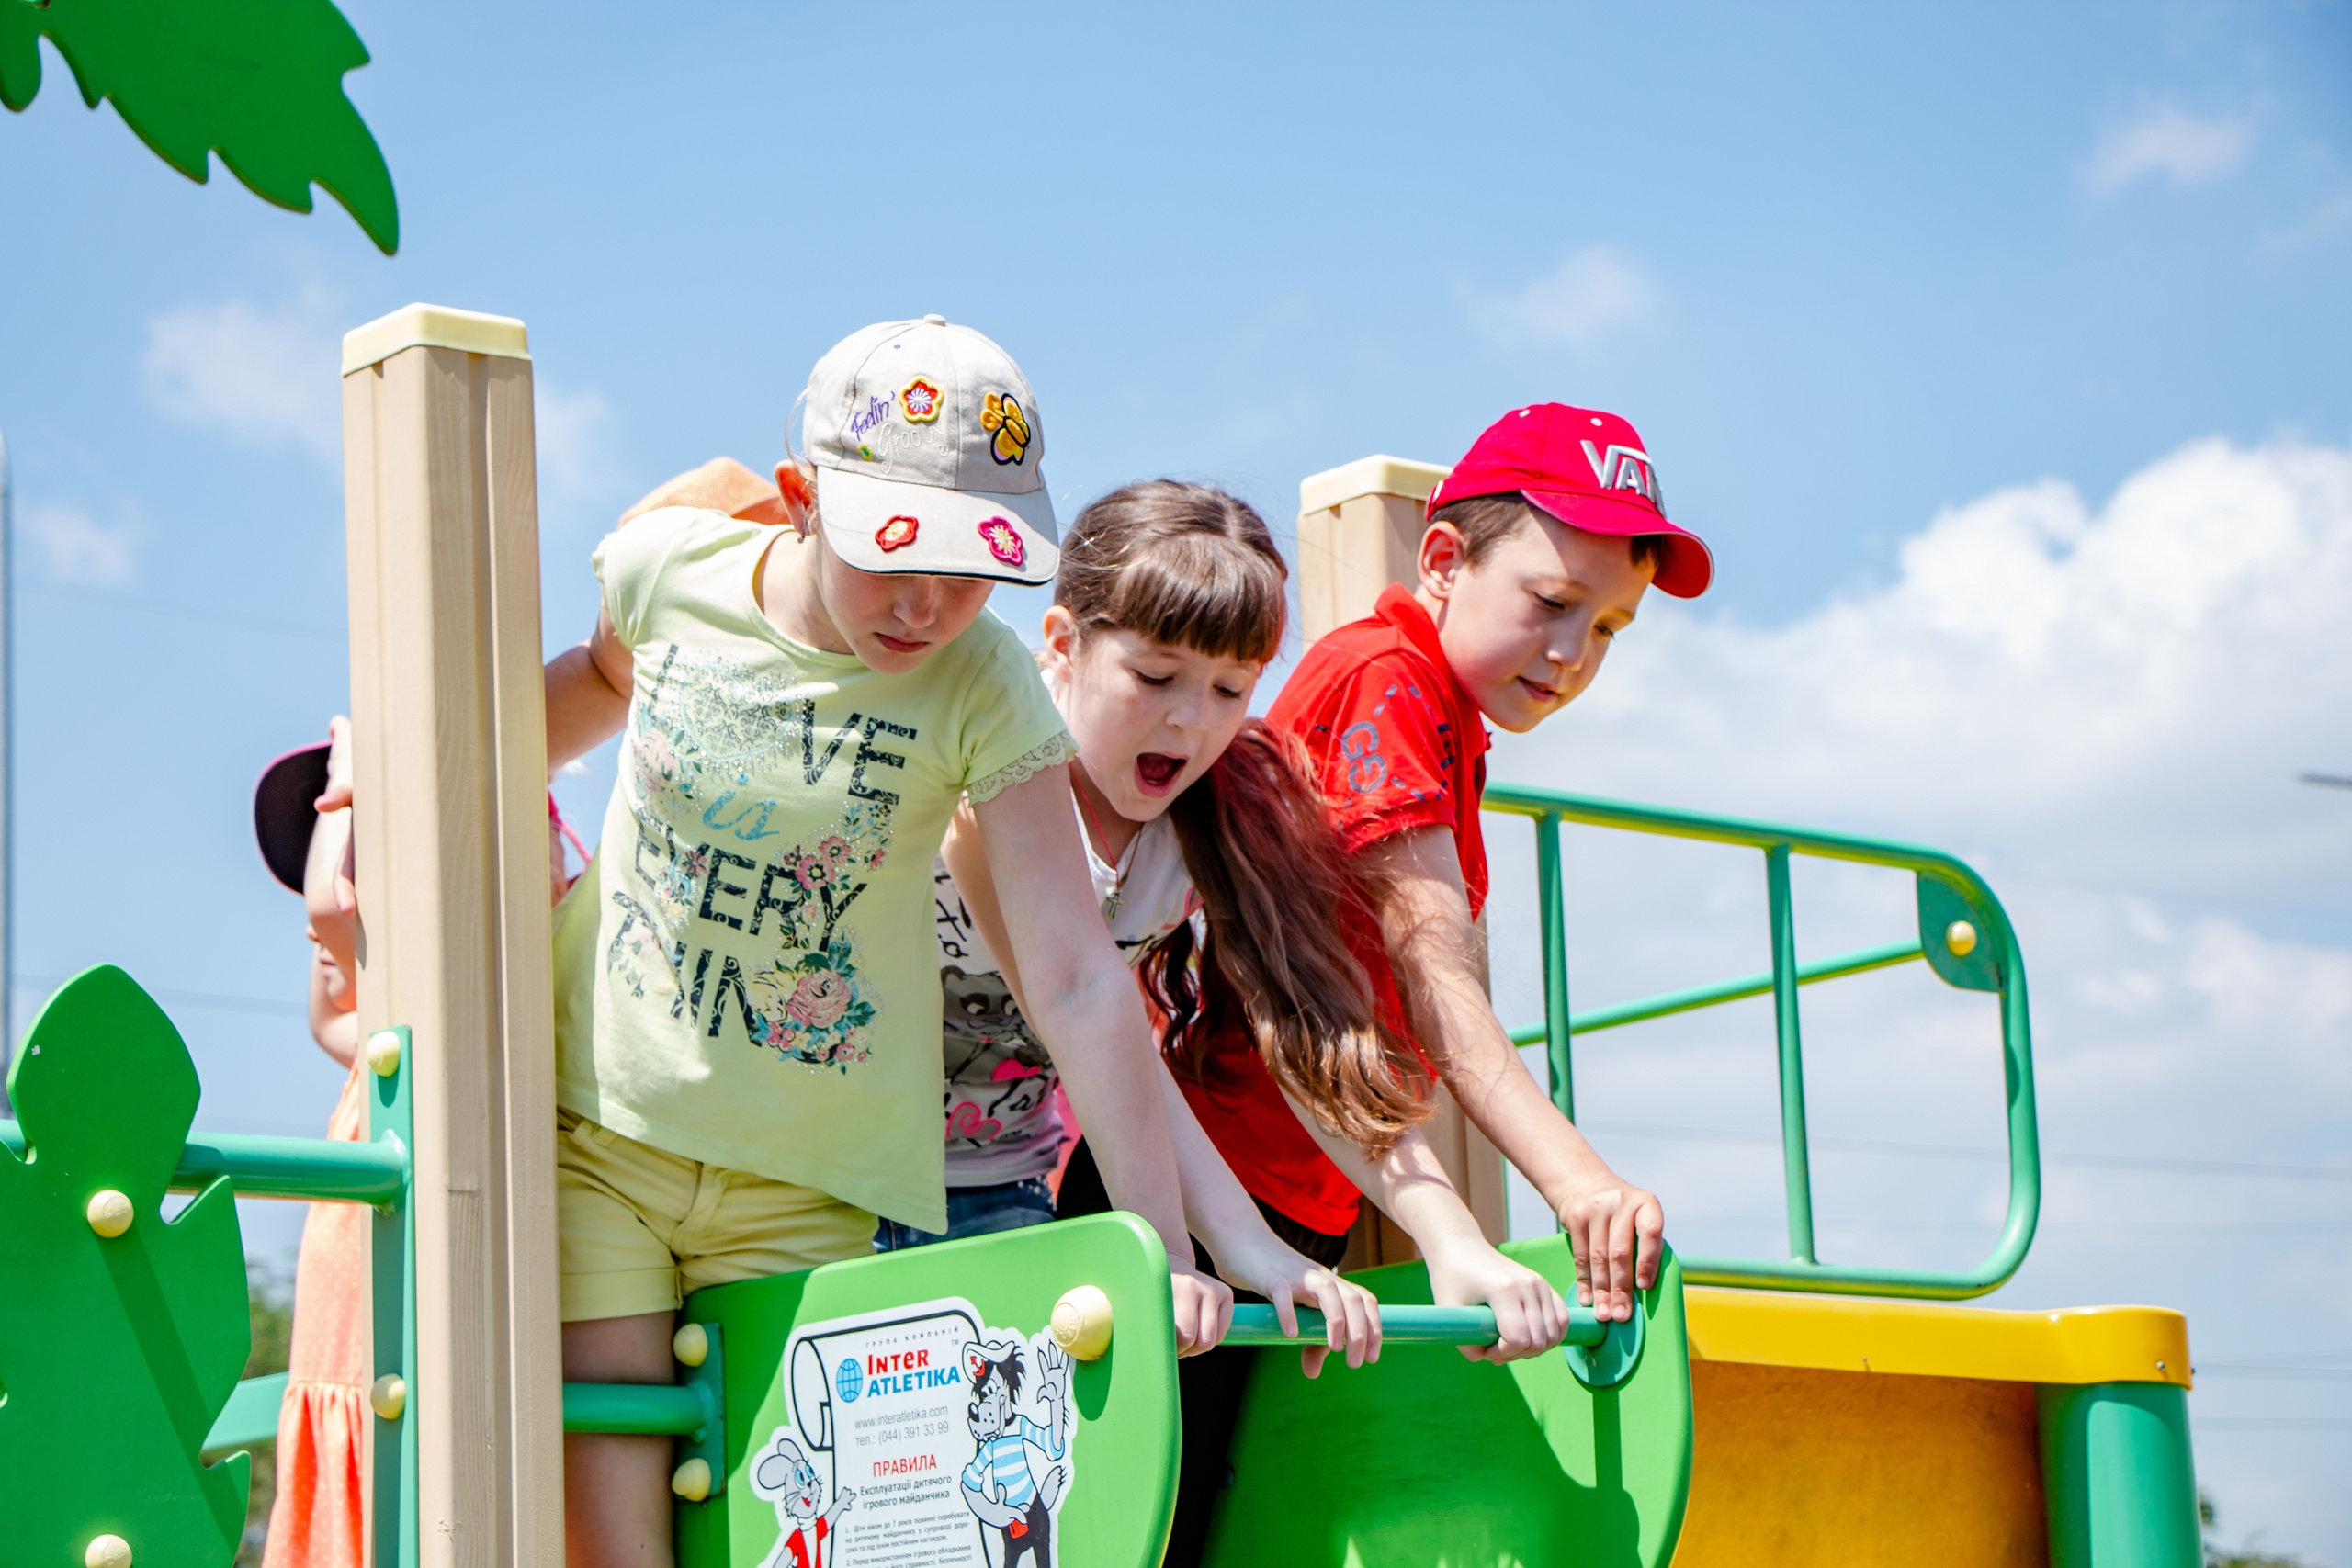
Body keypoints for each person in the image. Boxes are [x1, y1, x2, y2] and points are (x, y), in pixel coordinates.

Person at [539, 319, 1331, 1567]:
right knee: (617, 1530)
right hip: (607, 1128)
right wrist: (390, 780)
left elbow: (1073, 974)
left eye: (971, 568)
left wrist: (1161, 1247)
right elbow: (570, 699)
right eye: (893, 554)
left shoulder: (981, 685)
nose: (929, 603)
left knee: (798, 1534)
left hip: (811, 1181)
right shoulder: (665, 571)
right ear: (803, 499)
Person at [922, 480, 1571, 1566]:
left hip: (1003, 1184)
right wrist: (1197, 1247)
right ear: (1061, 643)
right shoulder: (996, 764)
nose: (1192, 720)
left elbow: (1318, 1034)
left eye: (1231, 688)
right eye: (1155, 676)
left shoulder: (1214, 803)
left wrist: (1449, 1241)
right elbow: (1087, 1016)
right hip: (861, 1179)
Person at [1258, 400, 1714, 1326]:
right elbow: (1437, 984)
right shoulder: (1384, 680)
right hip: (1232, 1177)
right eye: (1550, 602)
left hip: (1308, 1176)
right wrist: (1579, 1184)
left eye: (1607, 628)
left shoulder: (1441, 713)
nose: (1571, 653)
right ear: (1441, 561)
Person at [249, 720, 368, 1568]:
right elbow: (325, 1012)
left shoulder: (437, 1033)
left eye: (341, 847)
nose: (311, 920)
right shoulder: (374, 1054)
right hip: (334, 1391)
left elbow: (334, 908)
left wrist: (358, 778)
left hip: (381, 1393)